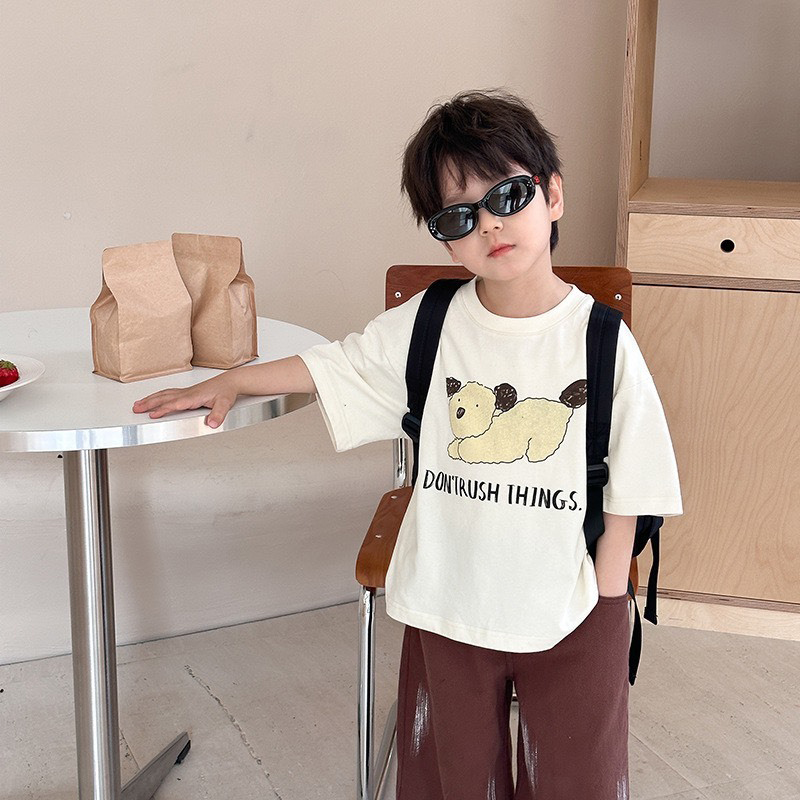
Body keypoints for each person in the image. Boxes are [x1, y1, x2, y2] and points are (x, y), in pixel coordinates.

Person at [134, 90, 682, 799]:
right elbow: (337, 366)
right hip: (447, 598)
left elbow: (634, 480)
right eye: (460, 215)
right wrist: (237, 379)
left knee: (576, 781)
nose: (490, 225)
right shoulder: (431, 322)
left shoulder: (601, 340)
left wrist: (607, 598)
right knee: (454, 776)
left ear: (552, 195)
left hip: (572, 604)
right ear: (445, 238)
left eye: (508, 196)